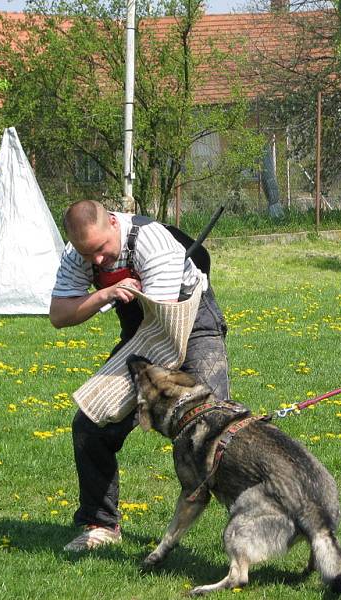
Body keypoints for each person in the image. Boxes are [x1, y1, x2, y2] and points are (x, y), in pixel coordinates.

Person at [50, 199, 233, 550]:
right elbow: (59, 314)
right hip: (142, 332)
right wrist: (104, 293)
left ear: (113, 224)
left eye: (102, 250)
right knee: (90, 425)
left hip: (191, 324)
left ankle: (242, 519)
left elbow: (165, 338)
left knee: (214, 426)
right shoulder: (79, 255)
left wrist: (148, 395)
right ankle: (100, 524)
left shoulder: (153, 241)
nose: (98, 261)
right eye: (88, 255)